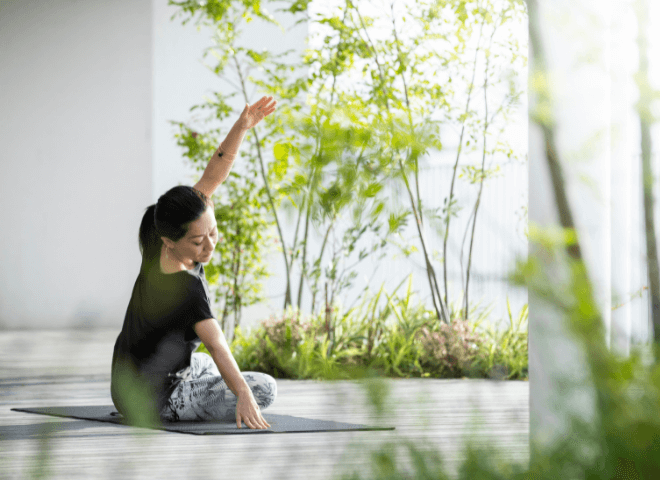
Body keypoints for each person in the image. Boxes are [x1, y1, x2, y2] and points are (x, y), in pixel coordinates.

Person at [111, 96, 278, 429]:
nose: (210, 245)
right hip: (154, 400)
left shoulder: (158, 226)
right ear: (172, 242)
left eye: (213, 232)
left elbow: (214, 173)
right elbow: (217, 344)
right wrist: (244, 394)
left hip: (125, 383)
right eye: (198, 242)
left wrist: (242, 126)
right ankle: (172, 402)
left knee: (198, 361)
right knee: (265, 388)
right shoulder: (186, 289)